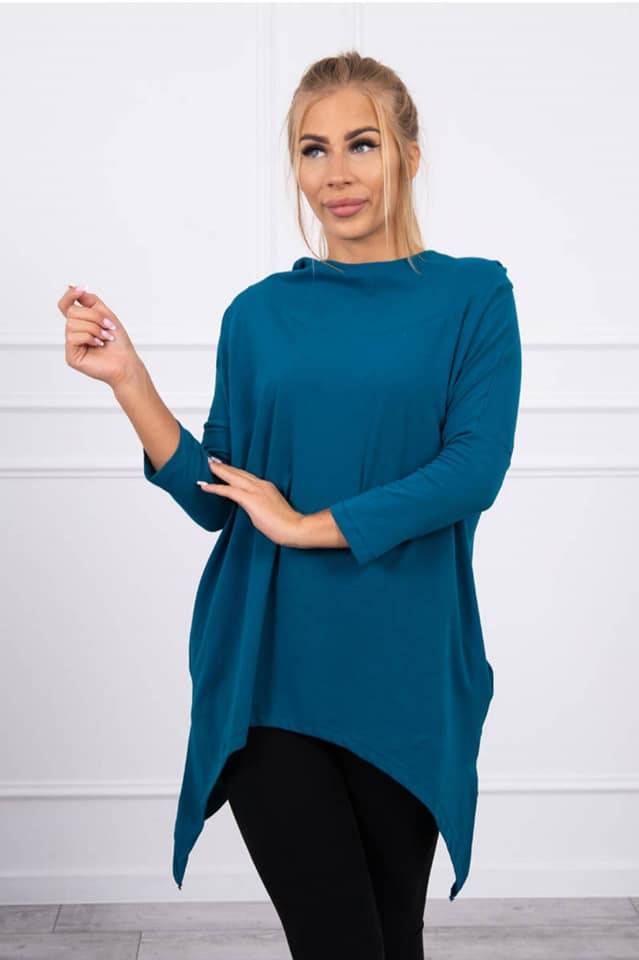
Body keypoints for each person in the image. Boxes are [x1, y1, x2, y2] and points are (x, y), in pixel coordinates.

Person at [58, 50, 522, 960]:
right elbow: (216, 498)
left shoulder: (473, 296)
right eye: (313, 150)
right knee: (336, 942)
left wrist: (308, 525)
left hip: (405, 671)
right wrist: (130, 381)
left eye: (361, 143)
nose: (336, 173)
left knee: (391, 940)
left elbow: (473, 468)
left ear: (408, 155)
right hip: (266, 669)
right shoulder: (257, 315)